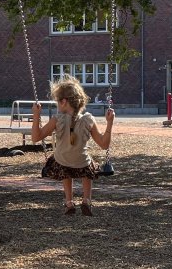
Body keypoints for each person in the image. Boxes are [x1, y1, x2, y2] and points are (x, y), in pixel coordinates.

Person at [31, 76, 115, 216]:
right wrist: (110, 123)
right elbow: (104, 144)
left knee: (64, 162)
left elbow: (35, 138)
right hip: (81, 162)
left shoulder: (57, 119)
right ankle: (87, 200)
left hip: (62, 161)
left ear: (64, 102)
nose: (57, 104)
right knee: (89, 166)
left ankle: (69, 202)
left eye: (57, 101)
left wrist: (36, 115)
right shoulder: (88, 119)